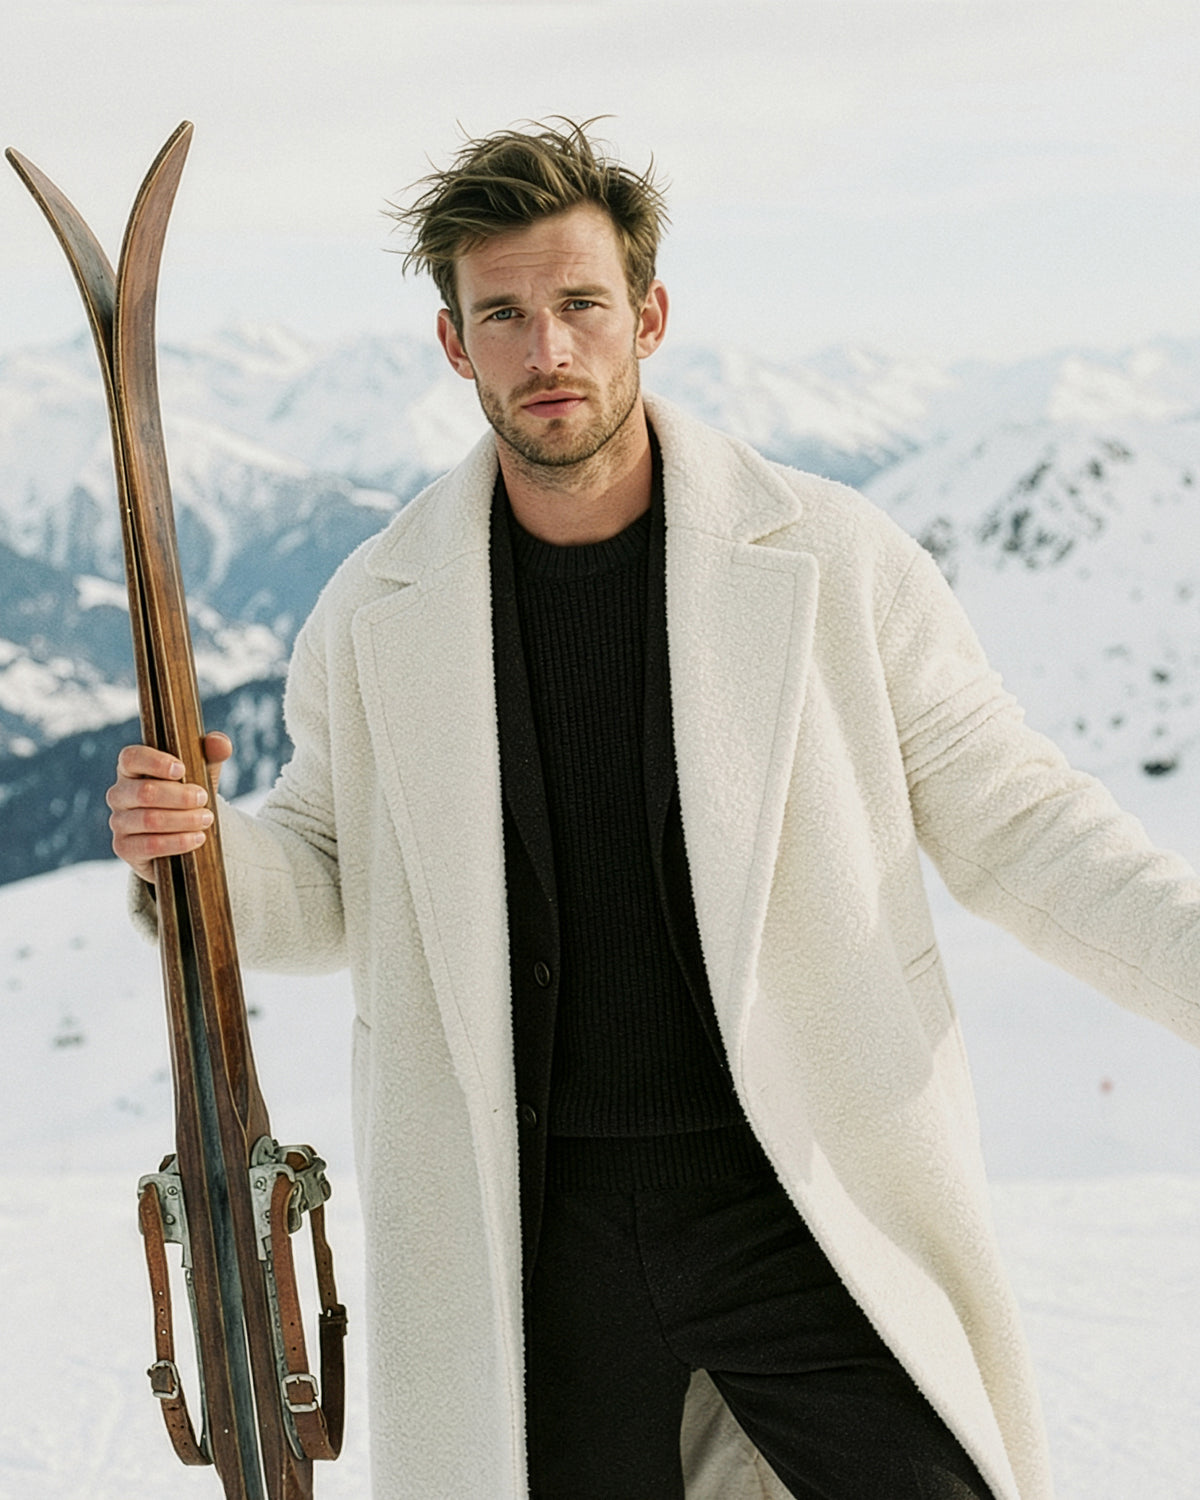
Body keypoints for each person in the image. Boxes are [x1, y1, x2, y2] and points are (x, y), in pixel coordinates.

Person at [106, 120, 1200, 1500]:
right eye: (501, 315)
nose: (546, 350)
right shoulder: (376, 611)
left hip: (798, 1196)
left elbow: (1032, 827)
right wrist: (196, 855)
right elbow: (325, 877)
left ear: (650, 316)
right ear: (454, 345)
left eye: (579, 306)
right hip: (530, 1231)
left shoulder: (830, 561)